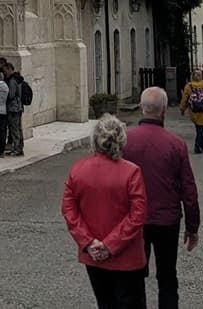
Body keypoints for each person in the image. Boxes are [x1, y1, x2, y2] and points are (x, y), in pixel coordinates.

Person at [123, 87, 201, 309]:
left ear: (141, 107)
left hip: (134, 221)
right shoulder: (176, 145)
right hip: (166, 220)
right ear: (164, 109)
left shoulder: (125, 141)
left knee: (133, 276)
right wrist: (192, 226)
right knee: (167, 277)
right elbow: (189, 190)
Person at [61, 114, 148, 309]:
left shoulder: (78, 170)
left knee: (105, 303)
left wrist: (88, 241)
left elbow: (69, 209)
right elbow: (137, 215)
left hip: (93, 254)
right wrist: (110, 244)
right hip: (126, 256)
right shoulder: (131, 172)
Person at [3, 59, 26, 156]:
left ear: (9, 69)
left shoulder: (12, 80)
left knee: (15, 128)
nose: (5, 73)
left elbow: (11, 95)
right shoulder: (18, 79)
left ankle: (16, 149)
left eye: (5, 71)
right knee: (19, 128)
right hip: (19, 106)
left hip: (13, 107)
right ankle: (19, 147)